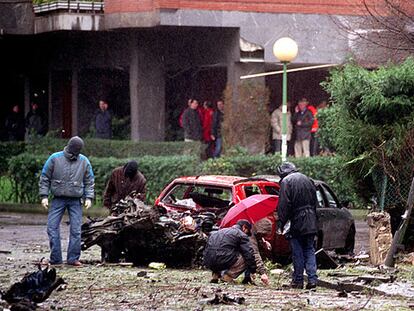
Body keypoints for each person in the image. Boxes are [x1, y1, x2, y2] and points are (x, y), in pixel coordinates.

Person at [39, 136, 95, 266]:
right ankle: (56, 258)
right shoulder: (54, 158)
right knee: (52, 227)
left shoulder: (84, 161)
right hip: (58, 198)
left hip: (76, 200)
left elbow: (89, 180)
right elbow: (45, 177)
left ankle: (73, 258)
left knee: (76, 230)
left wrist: (88, 197)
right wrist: (44, 196)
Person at [276, 162, 318, 289]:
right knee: (310, 250)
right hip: (311, 220)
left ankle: (298, 281)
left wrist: (281, 223)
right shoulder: (307, 179)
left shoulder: (286, 182)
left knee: (297, 251)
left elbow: (284, 206)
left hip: (296, 221)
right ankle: (312, 280)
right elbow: (315, 202)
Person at [203, 219, 257, 284]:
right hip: (223, 260)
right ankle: (227, 277)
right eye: (247, 232)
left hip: (208, 261)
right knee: (246, 257)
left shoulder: (218, 232)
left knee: (218, 253)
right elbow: (249, 254)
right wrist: (253, 270)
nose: (247, 234)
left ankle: (215, 275)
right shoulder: (241, 235)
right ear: (244, 227)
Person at [243, 218, 272, 286]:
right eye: (263, 234)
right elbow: (255, 253)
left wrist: (263, 242)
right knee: (249, 255)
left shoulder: (253, 230)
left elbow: (257, 237)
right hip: (232, 257)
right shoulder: (250, 235)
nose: (264, 236)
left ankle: (248, 277)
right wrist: (263, 273)